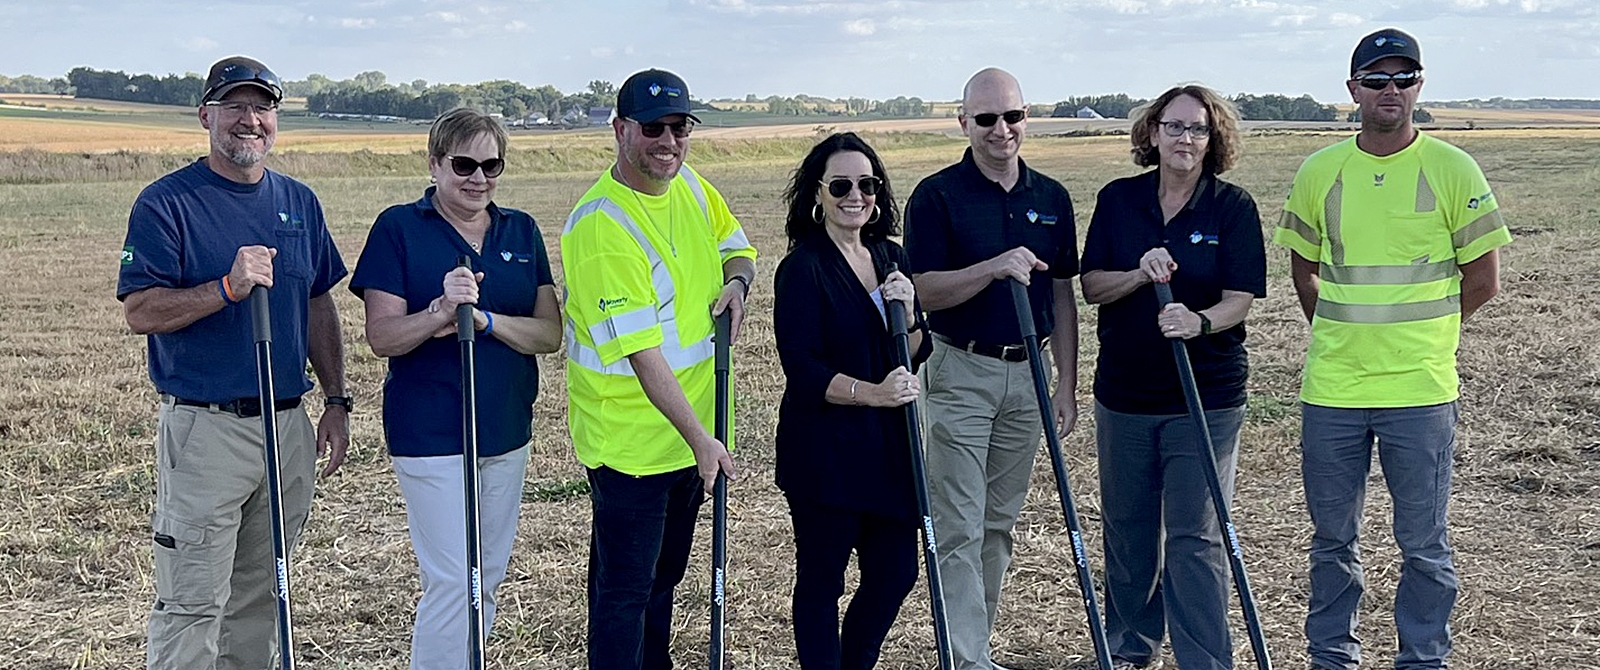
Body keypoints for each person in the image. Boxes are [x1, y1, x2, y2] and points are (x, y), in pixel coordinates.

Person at [1273, 28, 1511, 670]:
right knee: (1331, 543)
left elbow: (1483, 280)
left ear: (1420, 87)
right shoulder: (1320, 171)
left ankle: (1422, 658)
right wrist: (1344, 330)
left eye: (1404, 79)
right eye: (1376, 79)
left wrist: (1424, 332)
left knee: (1424, 546)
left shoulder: (1454, 167)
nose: (1390, 90)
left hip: (1421, 391)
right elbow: (1304, 272)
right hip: (1333, 392)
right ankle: (1331, 656)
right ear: (1352, 90)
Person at [117, 55, 350, 670]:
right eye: (235, 106)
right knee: (192, 601)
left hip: (288, 427)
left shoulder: (299, 202)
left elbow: (318, 301)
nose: (251, 120)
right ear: (206, 116)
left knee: (259, 598)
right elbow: (141, 310)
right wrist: (225, 287)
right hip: (206, 432)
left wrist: (336, 399)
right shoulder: (167, 203)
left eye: (263, 107)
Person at [349, 107, 562, 669]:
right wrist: (440, 310)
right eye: (464, 164)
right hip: (432, 434)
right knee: (452, 578)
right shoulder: (399, 227)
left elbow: (548, 333)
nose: (479, 178)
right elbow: (382, 336)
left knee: (486, 575)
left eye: (492, 165)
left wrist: (486, 320)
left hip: (506, 428)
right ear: (435, 163)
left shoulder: (521, 230)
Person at [560, 68, 758, 670]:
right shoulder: (603, 225)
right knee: (624, 595)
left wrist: (738, 285)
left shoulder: (692, 187)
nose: (668, 141)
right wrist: (704, 441)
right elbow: (643, 355)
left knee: (663, 583)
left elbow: (738, 246)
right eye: (653, 128)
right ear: (620, 130)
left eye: (680, 127)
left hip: (688, 440)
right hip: (631, 448)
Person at [1079, 85, 1266, 670]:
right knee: (1129, 529)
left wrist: (1199, 321)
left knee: (1195, 536)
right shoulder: (1118, 201)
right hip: (1125, 395)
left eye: (1199, 129)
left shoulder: (1231, 207)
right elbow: (1091, 286)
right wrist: (1138, 274)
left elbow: (1241, 298)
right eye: (1175, 126)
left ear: (1214, 140)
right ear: (1153, 131)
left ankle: (1204, 659)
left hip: (1204, 398)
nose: (1186, 139)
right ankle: (1131, 647)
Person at [904, 67, 1080, 670]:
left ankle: (973, 647)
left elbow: (1061, 295)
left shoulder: (1052, 197)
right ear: (963, 123)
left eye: (1013, 116)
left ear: (1027, 118)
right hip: (960, 371)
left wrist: (1065, 382)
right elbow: (921, 291)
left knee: (999, 525)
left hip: (1028, 376)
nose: (1001, 130)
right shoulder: (936, 195)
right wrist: (991, 267)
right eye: (986, 119)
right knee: (959, 523)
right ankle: (967, 659)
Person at [773, 132, 933, 670]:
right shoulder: (802, 268)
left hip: (889, 449)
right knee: (822, 582)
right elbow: (802, 367)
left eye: (867, 184)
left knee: (896, 573)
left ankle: (855, 660)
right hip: (826, 451)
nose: (855, 195)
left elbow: (913, 350)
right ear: (817, 193)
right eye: (840, 184)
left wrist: (910, 314)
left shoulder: (890, 255)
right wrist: (873, 394)